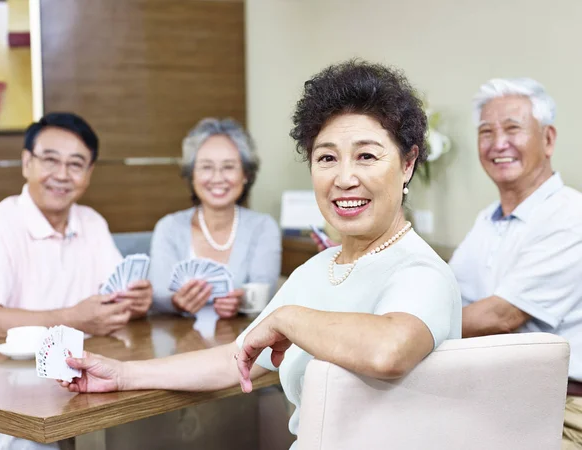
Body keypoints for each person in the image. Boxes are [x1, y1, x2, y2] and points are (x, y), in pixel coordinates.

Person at [60, 60, 462, 449]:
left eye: (367, 156)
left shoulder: (420, 270)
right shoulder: (319, 270)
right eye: (326, 158)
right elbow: (240, 357)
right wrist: (124, 374)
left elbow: (388, 350)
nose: (344, 178)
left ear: (408, 164)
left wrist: (287, 319)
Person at [0, 113, 153, 449]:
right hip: (6, 393)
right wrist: (71, 318)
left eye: (76, 164)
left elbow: (115, 297)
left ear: (89, 173)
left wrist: (136, 301)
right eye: (49, 160)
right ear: (26, 163)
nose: (61, 175)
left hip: (80, 378)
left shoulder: (91, 222)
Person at [448, 78, 582, 449]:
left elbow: (501, 316)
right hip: (487, 398)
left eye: (512, 129)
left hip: (563, 410)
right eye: (486, 132)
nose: (497, 143)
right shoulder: (486, 220)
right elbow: (448, 292)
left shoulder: (572, 216)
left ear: (548, 139)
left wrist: (404, 329)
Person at [149, 118, 281, 319]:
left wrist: (241, 302)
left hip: (242, 343)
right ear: (192, 174)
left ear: (245, 174)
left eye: (228, 167)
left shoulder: (264, 227)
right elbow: (157, 295)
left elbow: (265, 294)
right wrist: (176, 302)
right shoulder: (168, 227)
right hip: (179, 343)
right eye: (206, 167)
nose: (218, 178)